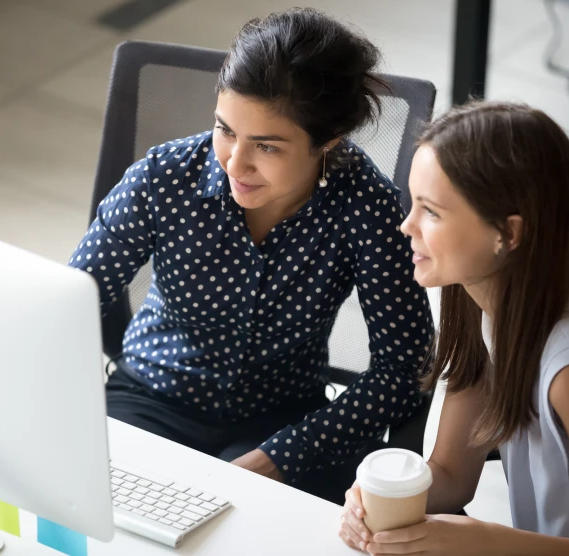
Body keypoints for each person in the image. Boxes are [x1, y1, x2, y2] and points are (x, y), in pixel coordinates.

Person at [68, 8, 434, 505]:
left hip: (284, 420)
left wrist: (283, 455)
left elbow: (405, 366)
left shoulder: (365, 205)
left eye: (267, 146)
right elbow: (68, 306)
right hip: (151, 397)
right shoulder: (163, 178)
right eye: (225, 130)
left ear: (329, 140)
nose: (235, 164)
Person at [340, 101, 569, 553]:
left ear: (508, 234)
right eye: (412, 204)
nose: (405, 226)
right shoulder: (486, 314)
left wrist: (489, 542)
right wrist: (377, 501)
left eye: (431, 212)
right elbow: (453, 476)